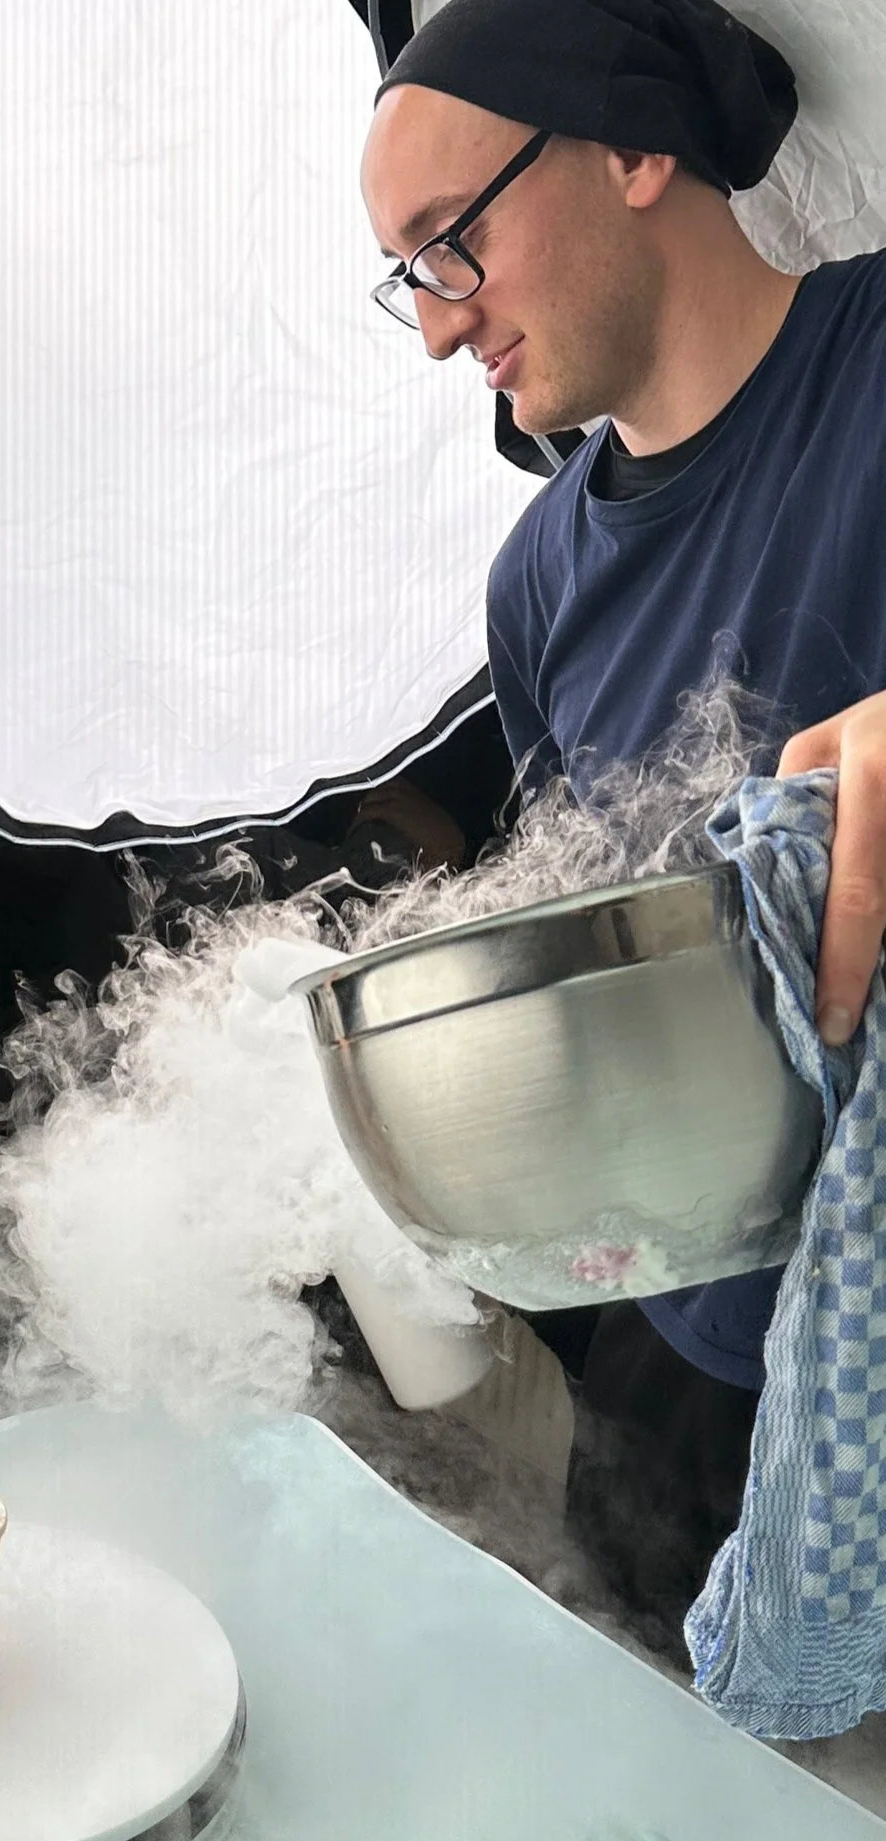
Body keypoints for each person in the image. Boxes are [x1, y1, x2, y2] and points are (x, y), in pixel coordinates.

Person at [359, 0, 886, 1639]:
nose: (442, 331)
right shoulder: (538, 583)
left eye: (453, 245)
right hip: (701, 1355)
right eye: (409, 282)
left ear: (637, 147)